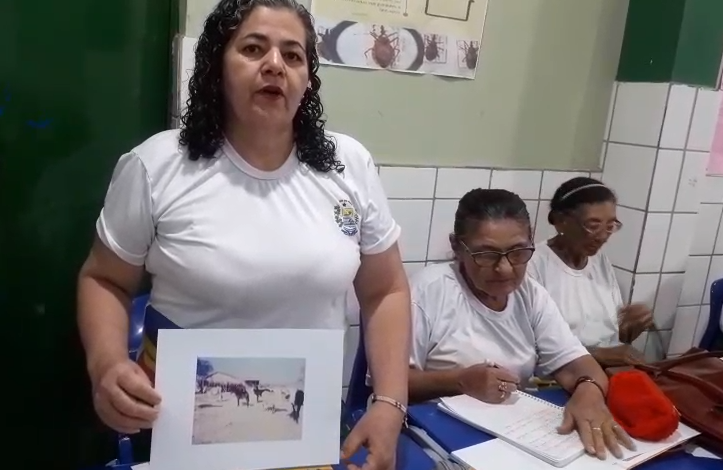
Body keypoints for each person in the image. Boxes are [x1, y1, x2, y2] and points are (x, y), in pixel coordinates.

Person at [76, 1, 410, 468]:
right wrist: (106, 364)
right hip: (180, 427)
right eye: (253, 49)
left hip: (305, 423)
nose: (275, 65)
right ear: (217, 66)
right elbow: (104, 279)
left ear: (308, 78)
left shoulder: (348, 165)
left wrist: (390, 403)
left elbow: (386, 289)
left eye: (292, 55)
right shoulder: (156, 165)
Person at [407, 189, 636, 460]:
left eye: (517, 252)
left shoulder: (530, 293)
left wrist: (589, 392)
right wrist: (459, 381)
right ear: (457, 247)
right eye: (486, 254)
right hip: (437, 430)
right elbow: (389, 383)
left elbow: (578, 364)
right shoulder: (429, 291)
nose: (505, 268)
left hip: (510, 430)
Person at [527, 177, 653, 368]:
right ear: (561, 221)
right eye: (593, 226)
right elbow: (529, 348)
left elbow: (609, 338)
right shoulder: (533, 265)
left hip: (604, 372)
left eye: (610, 226)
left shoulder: (599, 261)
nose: (602, 236)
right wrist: (597, 355)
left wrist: (629, 326)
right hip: (563, 376)